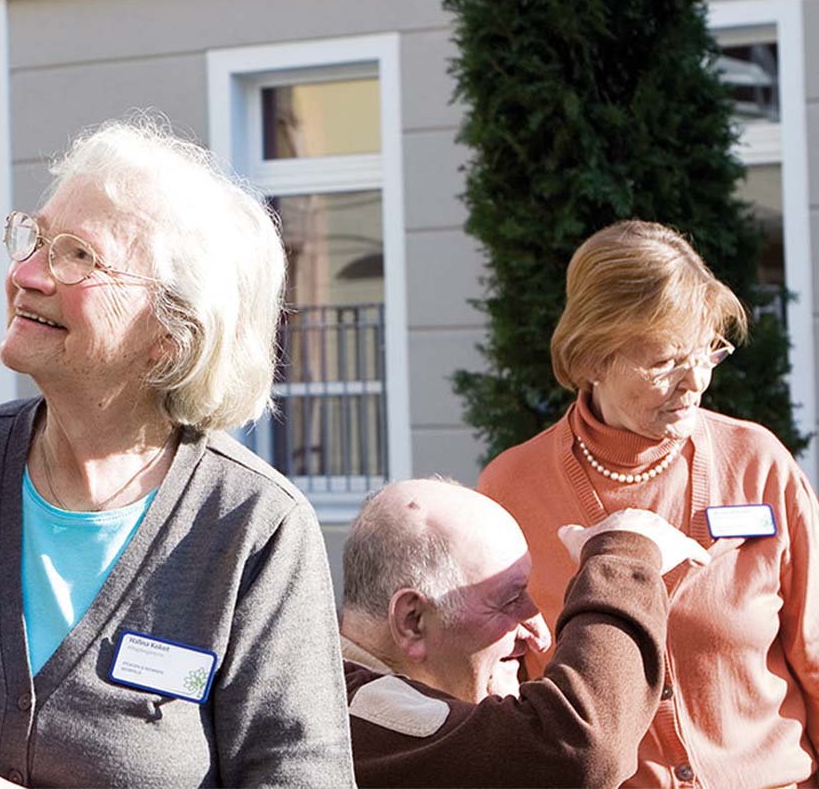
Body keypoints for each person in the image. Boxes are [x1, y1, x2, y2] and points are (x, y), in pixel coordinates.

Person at [0, 118, 356, 787]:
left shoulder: (253, 528)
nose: (26, 274)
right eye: (34, 240)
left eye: (78, 257)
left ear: (172, 334)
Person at [478, 220, 819, 787]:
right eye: (664, 361)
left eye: (708, 351)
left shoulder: (759, 464)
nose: (695, 381)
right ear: (591, 359)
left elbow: (815, 651)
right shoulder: (510, 488)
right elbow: (490, 682)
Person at [341, 478, 707, 787]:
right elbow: (581, 750)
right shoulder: (351, 715)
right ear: (413, 620)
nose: (538, 634)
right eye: (509, 600)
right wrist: (626, 558)